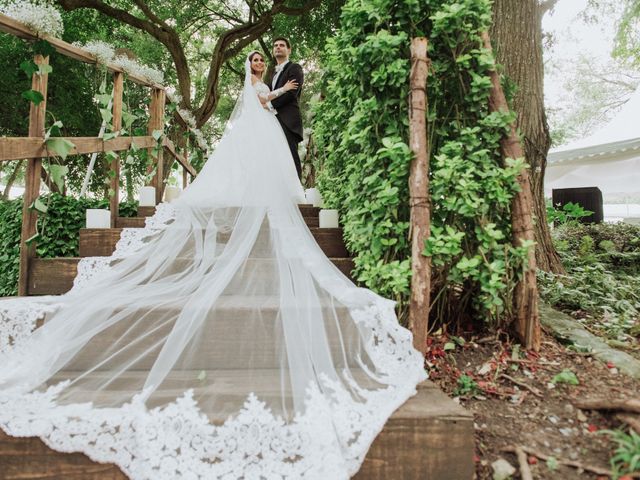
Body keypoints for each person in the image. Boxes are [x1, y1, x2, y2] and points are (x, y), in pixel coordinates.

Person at [0, 51, 426, 480]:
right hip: (260, 126)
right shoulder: (255, 85)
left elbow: (270, 102)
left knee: (272, 169)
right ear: (251, 66)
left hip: (268, 129)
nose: (259, 62)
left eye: (262, 58)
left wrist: (275, 90)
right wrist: (276, 91)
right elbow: (262, 103)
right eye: (255, 58)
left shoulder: (268, 78)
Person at [267, 37, 305, 179]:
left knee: (291, 156)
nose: (278, 47)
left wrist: (269, 105)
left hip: (288, 121)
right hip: (273, 121)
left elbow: (291, 93)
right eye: (275, 45)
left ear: (289, 50)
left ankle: (298, 195)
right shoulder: (272, 74)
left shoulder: (295, 68)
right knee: (277, 158)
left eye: (282, 45)